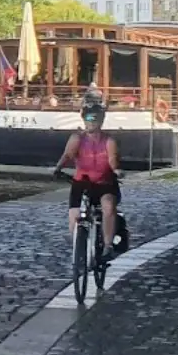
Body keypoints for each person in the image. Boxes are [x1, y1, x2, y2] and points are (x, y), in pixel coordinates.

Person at [54, 98, 120, 257]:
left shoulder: (109, 141)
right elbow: (68, 155)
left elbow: (112, 160)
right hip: (82, 182)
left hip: (104, 182)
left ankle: (108, 245)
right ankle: (76, 243)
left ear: (101, 121)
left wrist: (117, 170)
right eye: (87, 118)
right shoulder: (77, 139)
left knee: (108, 207)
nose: (90, 122)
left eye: (94, 119)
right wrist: (57, 168)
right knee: (75, 215)